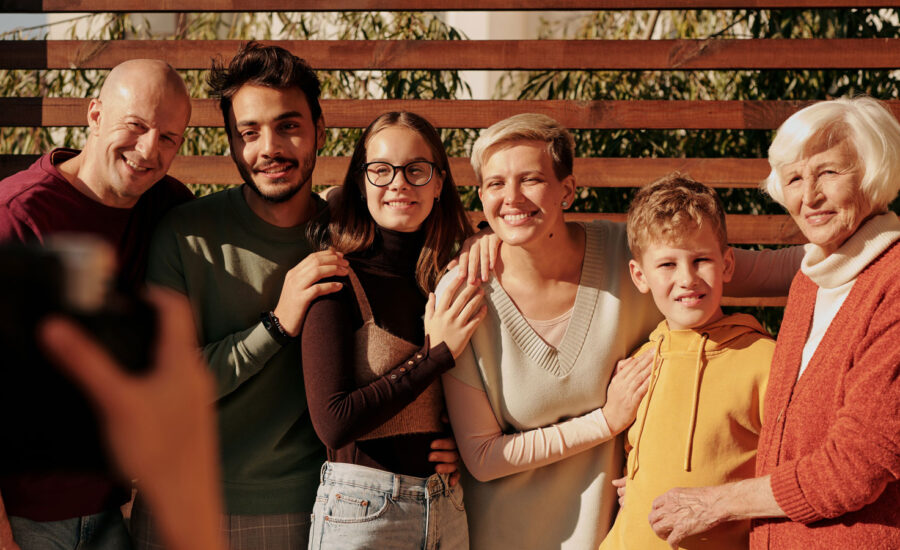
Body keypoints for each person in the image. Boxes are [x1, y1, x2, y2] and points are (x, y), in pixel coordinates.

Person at [142, 43, 458, 550]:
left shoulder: (355, 235)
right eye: (249, 132)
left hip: (308, 508)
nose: (269, 147)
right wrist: (275, 325)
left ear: (319, 131)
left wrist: (452, 443)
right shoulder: (187, 234)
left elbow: (417, 310)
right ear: (231, 143)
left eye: (288, 125)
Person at [438, 113, 803, 550]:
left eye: (530, 179)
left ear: (567, 190)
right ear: (480, 195)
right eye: (496, 184)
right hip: (496, 539)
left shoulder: (629, 255)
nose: (512, 197)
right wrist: (606, 421)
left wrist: (878, 233)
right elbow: (480, 456)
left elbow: (771, 269)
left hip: (617, 536)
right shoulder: (465, 291)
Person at [648, 96, 900, 549]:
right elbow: (783, 438)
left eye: (828, 172)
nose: (810, 196)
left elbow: (855, 467)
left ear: (873, 172)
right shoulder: (812, 277)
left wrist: (717, 502)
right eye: (795, 178)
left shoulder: (893, 283)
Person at [0, 59, 194, 550]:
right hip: (26, 518)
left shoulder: (165, 206)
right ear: (94, 113)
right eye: (136, 125)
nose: (148, 150)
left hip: (114, 512)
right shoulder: (17, 218)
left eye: (168, 137)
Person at [301, 111, 485, 548]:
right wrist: (434, 355)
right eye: (381, 170)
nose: (398, 183)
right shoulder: (336, 279)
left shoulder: (454, 276)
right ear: (361, 184)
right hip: (363, 511)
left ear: (439, 183)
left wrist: (465, 442)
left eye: (415, 170)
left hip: (446, 504)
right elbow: (333, 421)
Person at [599, 175, 774, 550]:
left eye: (701, 260)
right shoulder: (639, 360)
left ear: (726, 264)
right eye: (667, 264)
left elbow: (790, 477)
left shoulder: (765, 361)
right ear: (639, 276)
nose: (687, 278)